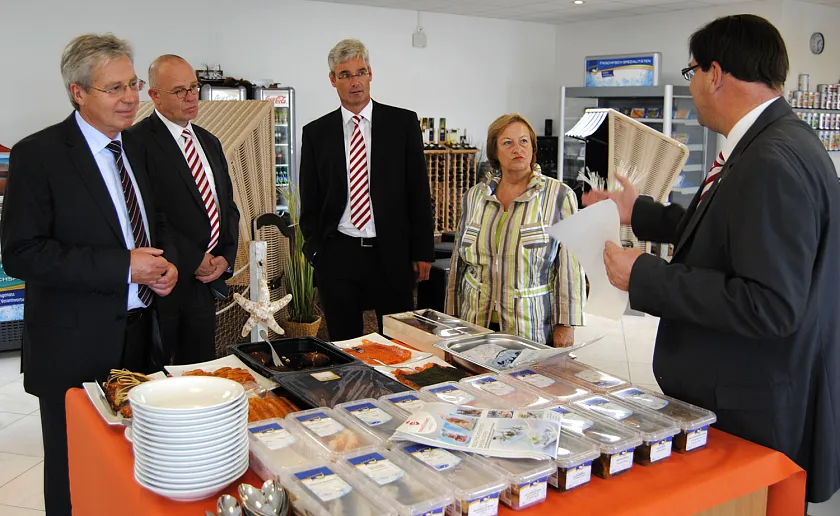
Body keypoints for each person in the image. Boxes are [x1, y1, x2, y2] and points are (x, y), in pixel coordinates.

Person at [584, 14, 840, 504]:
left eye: (693, 72)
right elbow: (733, 234)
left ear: (716, 74)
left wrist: (647, 276)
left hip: (751, 411)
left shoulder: (770, 161)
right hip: (751, 394)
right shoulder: (776, 142)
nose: (694, 85)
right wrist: (640, 213)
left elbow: (770, 304)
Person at [0, 34, 178, 515]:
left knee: (133, 465)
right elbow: (21, 253)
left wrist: (165, 265)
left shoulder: (137, 148)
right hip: (73, 347)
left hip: (143, 336)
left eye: (134, 84)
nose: (131, 98)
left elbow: (152, 219)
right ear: (77, 92)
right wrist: (124, 266)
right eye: (114, 88)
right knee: (73, 474)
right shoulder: (38, 155)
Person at [299, 39, 434, 340]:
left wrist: (423, 250)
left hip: (392, 253)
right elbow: (310, 201)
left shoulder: (403, 124)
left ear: (370, 74)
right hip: (339, 254)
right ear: (333, 80)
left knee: (398, 343)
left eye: (360, 72)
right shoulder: (316, 133)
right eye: (345, 74)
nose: (354, 81)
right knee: (345, 345)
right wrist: (316, 252)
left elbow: (418, 192)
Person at [130, 54, 240, 365]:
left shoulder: (209, 141)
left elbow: (227, 206)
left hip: (206, 285)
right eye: (180, 90)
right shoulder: (137, 143)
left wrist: (226, 257)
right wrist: (192, 259)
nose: (191, 97)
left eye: (194, 87)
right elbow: (148, 216)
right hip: (164, 284)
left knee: (202, 370)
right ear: (154, 95)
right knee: (163, 377)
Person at [445, 114, 585, 347]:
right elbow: (457, 266)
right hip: (475, 323)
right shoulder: (474, 197)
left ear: (532, 147)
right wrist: (450, 319)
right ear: (495, 152)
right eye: (507, 143)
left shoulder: (559, 196)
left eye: (523, 141)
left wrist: (566, 325)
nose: (517, 149)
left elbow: (571, 269)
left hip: (529, 328)